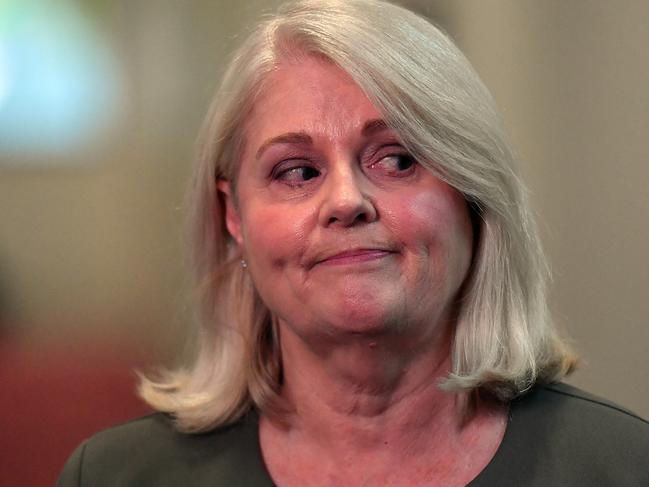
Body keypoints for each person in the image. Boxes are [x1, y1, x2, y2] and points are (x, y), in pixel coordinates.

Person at [58, 1, 649, 485]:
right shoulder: (113, 476)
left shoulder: (622, 468)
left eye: (396, 159)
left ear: (473, 200)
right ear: (232, 214)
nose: (346, 200)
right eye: (296, 172)